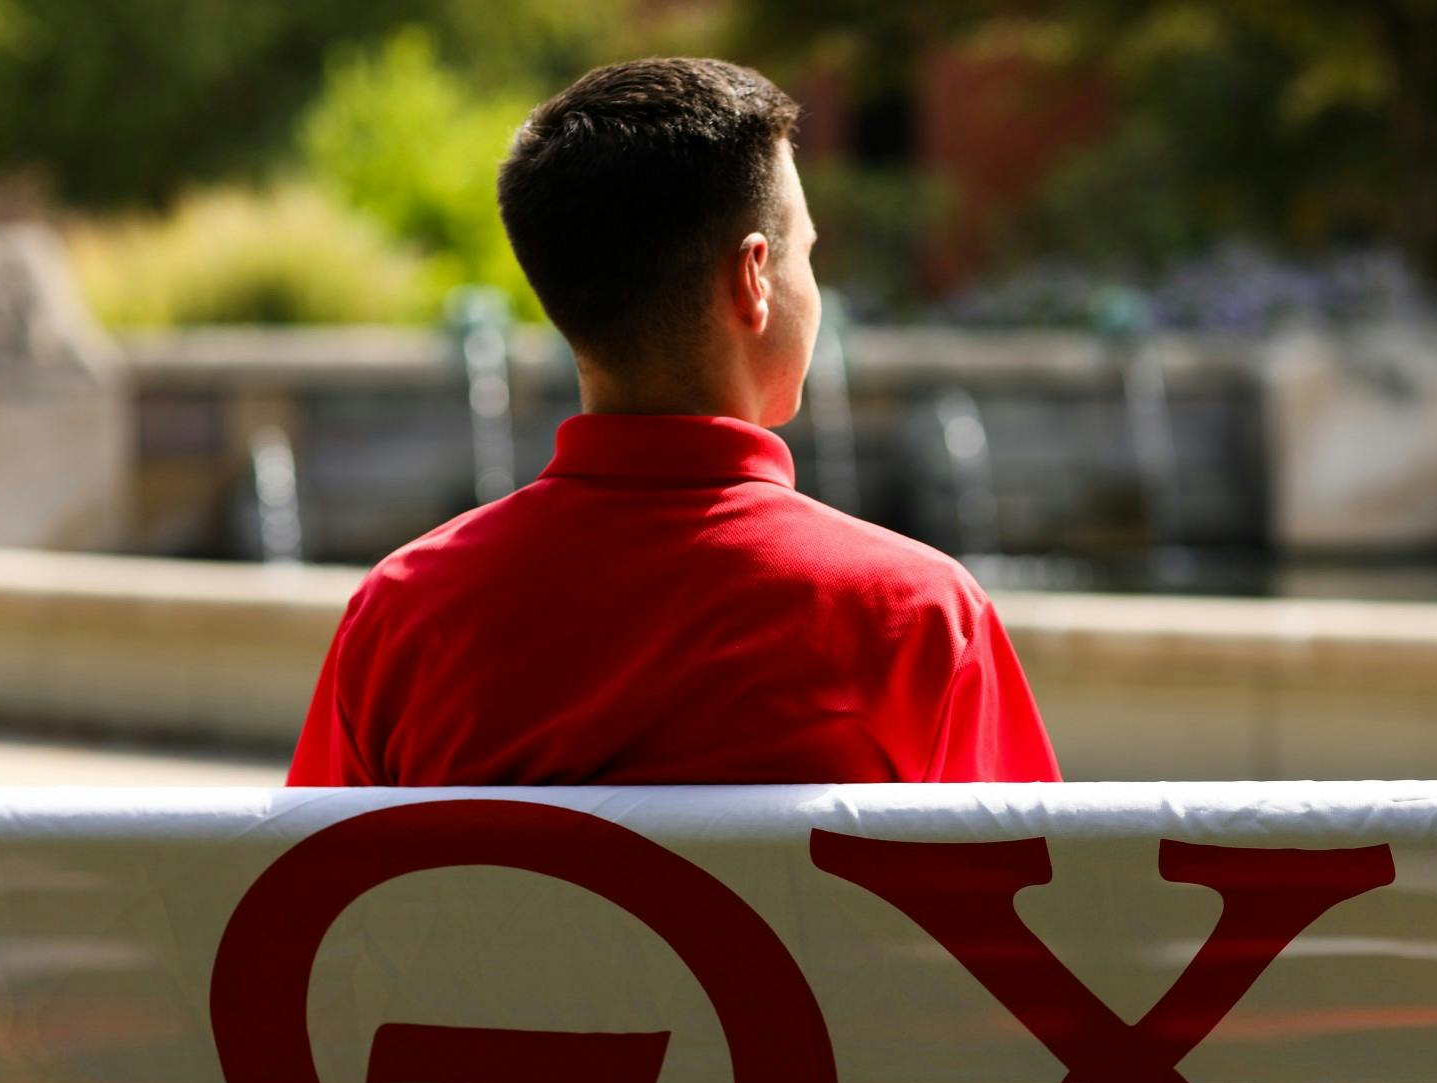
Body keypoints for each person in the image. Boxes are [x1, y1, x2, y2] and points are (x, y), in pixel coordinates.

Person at [287, 57, 1059, 786]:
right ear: (754, 277)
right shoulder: (914, 619)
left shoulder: (405, 619)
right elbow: (1037, 906)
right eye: (807, 256)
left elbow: (311, 906)